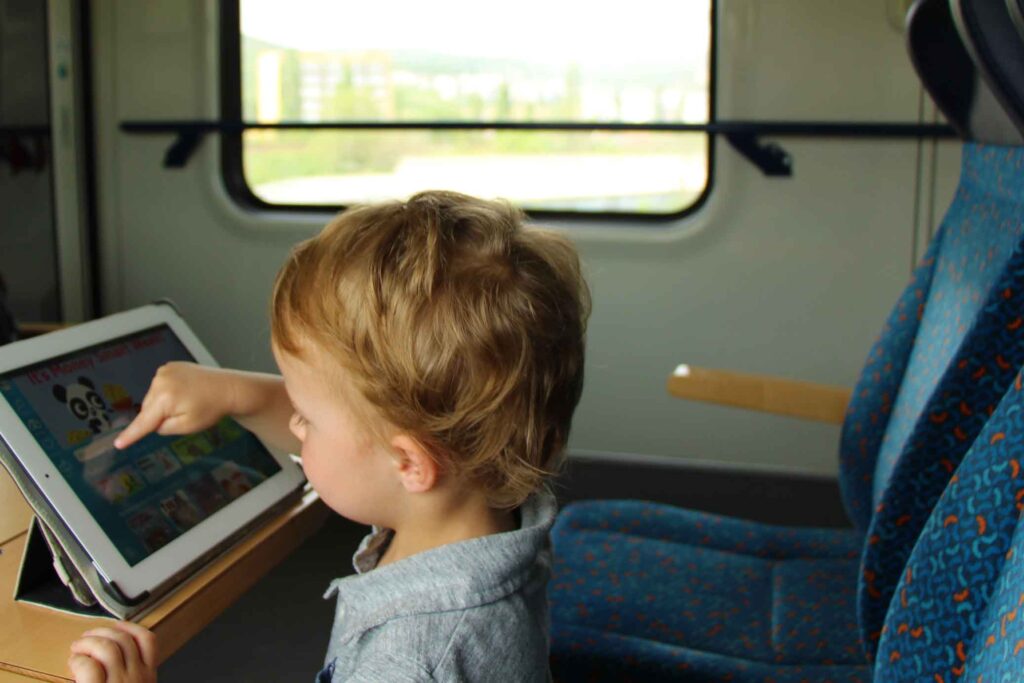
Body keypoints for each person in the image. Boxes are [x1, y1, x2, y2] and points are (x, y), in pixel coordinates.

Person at [67, 190, 590, 682]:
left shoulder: (408, 662)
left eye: (306, 417)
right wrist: (234, 395)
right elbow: (363, 439)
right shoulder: (493, 485)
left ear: (409, 463)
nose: (293, 423)